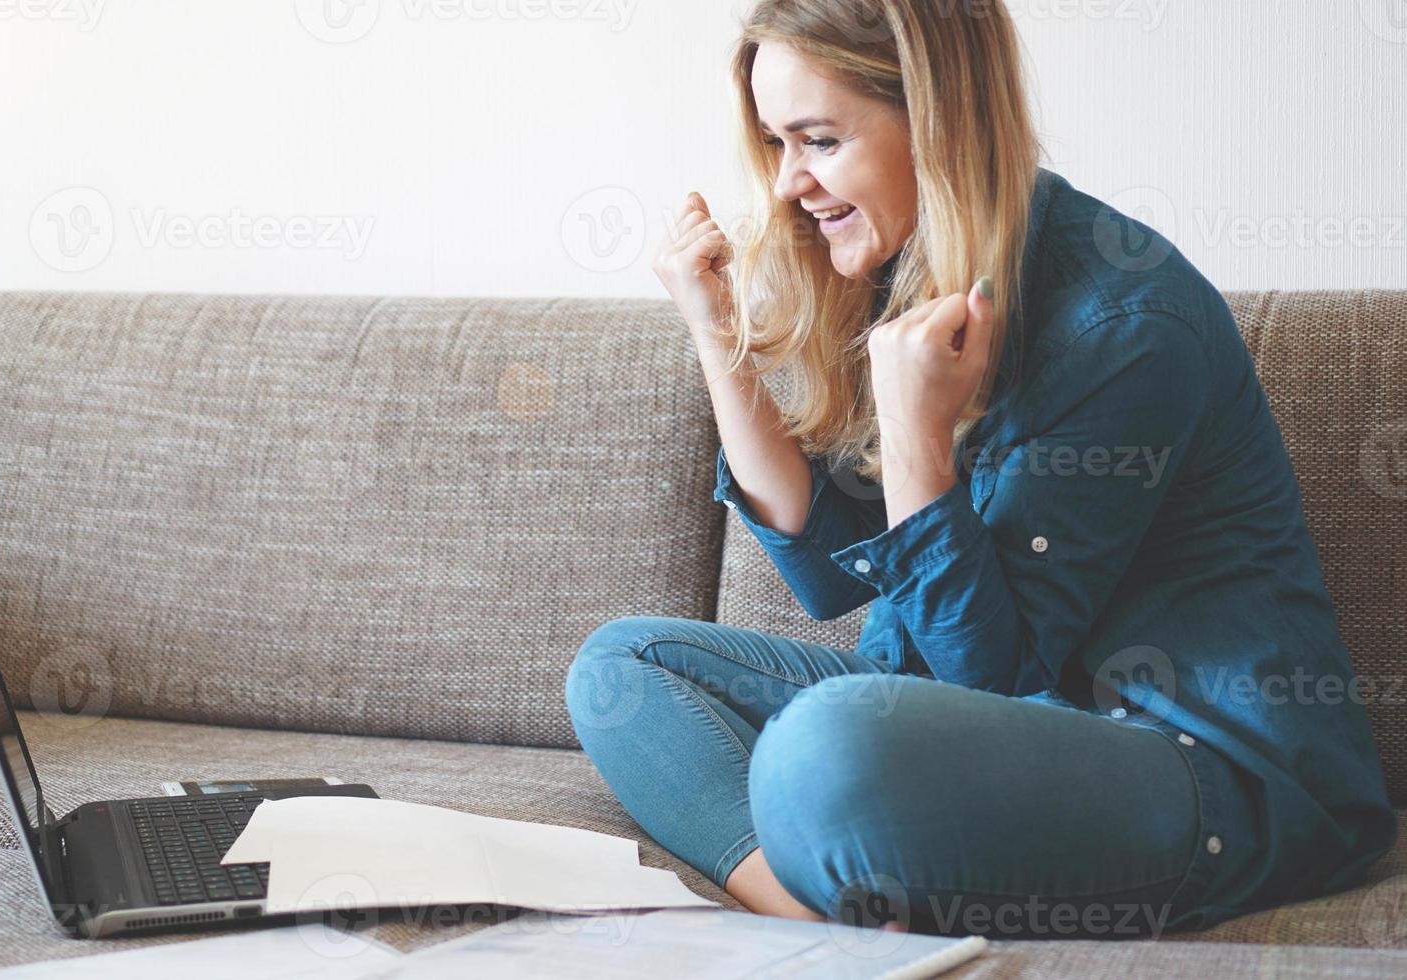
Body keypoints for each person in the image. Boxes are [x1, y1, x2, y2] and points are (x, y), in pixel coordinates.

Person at [564, 0, 1395, 939]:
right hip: (982, 726)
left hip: (1210, 771)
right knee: (621, 667)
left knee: (824, 748)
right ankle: (805, 918)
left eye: (820, 141)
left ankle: (838, 886)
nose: (790, 181)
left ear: (940, 119)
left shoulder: (1126, 323)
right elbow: (822, 565)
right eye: (777, 143)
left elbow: (990, 677)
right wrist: (715, 331)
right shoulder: (903, 270)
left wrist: (917, 436)